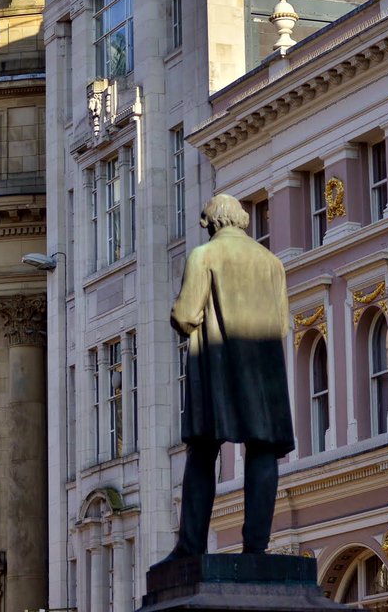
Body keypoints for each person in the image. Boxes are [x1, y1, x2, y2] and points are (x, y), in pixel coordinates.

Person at [165, 194, 294, 560]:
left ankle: (190, 546)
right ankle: (256, 547)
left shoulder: (204, 256)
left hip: (218, 368)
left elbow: (187, 315)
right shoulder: (272, 263)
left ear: (213, 223)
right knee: (263, 450)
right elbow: (282, 323)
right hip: (264, 372)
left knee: (203, 450)